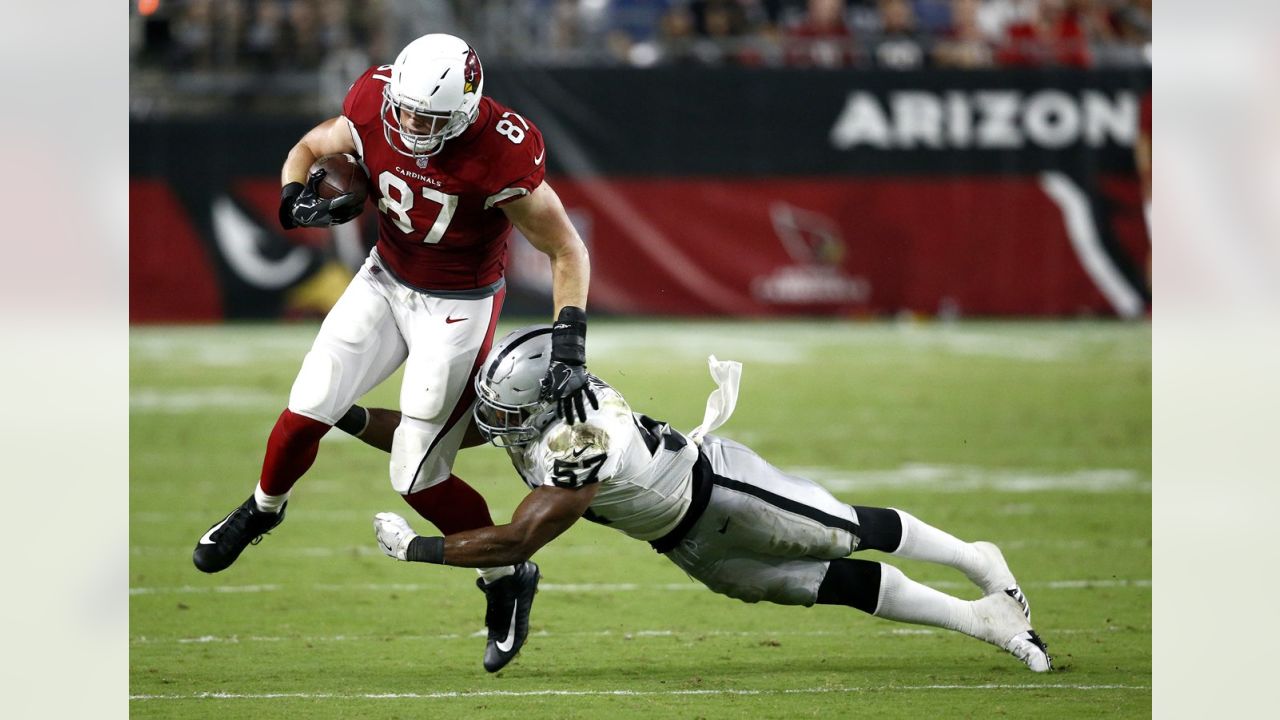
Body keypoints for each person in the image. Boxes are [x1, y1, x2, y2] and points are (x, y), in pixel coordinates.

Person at [191, 34, 596, 674]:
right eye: (406, 111)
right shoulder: (376, 98)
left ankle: (507, 576)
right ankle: (264, 508)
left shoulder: (499, 150)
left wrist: (570, 338)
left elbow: (567, 249)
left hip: (458, 305)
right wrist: (294, 193)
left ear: (465, 109)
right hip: (386, 277)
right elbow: (307, 148)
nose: (410, 127)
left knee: (415, 474)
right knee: (309, 402)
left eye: (430, 119)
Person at [348, 326, 1053, 672]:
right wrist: (344, 418)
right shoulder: (536, 410)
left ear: (540, 401)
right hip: (682, 542)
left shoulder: (581, 439)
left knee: (841, 529)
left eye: (504, 411)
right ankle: (979, 620)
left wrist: (419, 548)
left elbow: (517, 542)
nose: (492, 422)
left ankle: (973, 557)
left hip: (721, 492)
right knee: (816, 586)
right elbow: (430, 437)